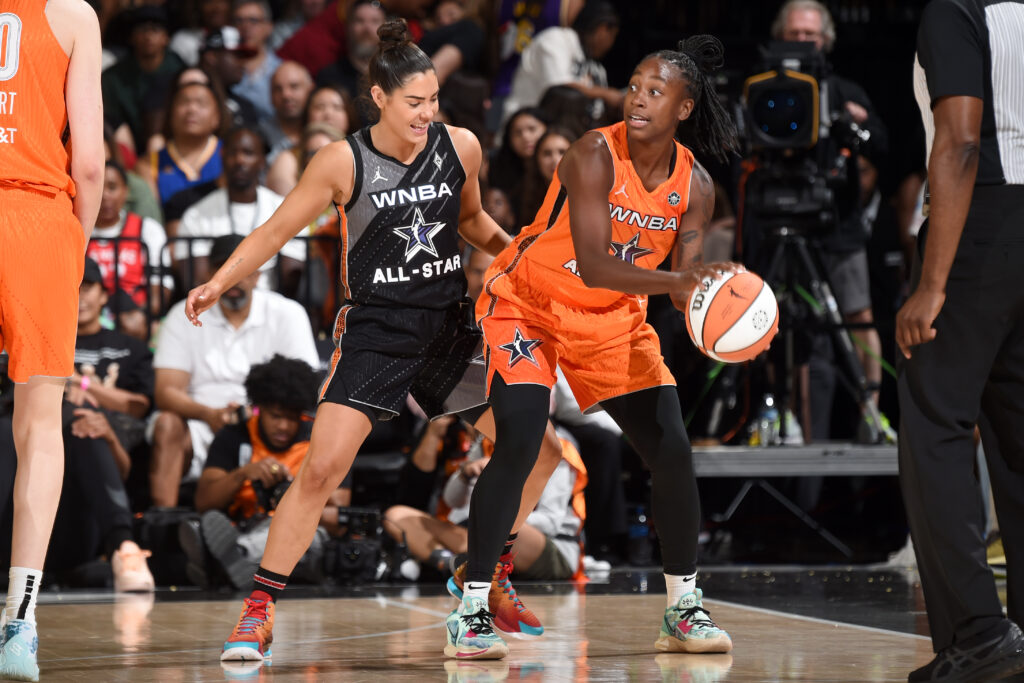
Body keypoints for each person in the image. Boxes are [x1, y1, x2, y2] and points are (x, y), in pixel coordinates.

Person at [183, 19, 564, 663]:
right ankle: (258, 611)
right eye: (414, 102)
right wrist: (218, 281)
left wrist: (523, 260)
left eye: (434, 100)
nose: (427, 113)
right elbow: (276, 231)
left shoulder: (461, 146)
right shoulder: (342, 160)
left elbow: (471, 220)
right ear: (380, 99)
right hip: (376, 335)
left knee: (542, 451)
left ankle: (486, 575)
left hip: (448, 330)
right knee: (322, 471)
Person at [448, 35, 741, 660]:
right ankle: (471, 608)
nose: (638, 98)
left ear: (684, 109)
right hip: (529, 305)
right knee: (523, 438)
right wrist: (679, 281)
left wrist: (719, 321)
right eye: (634, 85)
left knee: (673, 450)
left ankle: (682, 609)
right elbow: (596, 262)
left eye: (655, 91)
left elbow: (687, 290)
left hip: (613, 322)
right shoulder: (591, 153)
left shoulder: (697, 186)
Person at [897, 1, 1024, 681]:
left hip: (982, 221)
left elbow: (961, 139)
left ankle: (979, 634)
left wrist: (934, 281)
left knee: (934, 420)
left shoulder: (956, 11)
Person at [0, 0, 103, 679]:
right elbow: (90, 163)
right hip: (35, 217)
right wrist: (76, 243)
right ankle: (19, 621)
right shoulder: (70, 13)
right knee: (39, 427)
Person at [768, 0, 892, 443]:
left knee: (858, 317)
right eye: (795, 34)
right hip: (780, 219)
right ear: (780, 36)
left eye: (810, 35)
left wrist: (852, 125)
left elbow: (881, 142)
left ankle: (870, 412)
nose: (803, 43)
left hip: (838, 223)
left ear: (826, 40)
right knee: (780, 322)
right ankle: (791, 418)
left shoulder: (845, 90)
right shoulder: (765, 87)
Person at [151, 235, 320, 509]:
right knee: (166, 424)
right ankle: (163, 524)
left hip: (265, 422)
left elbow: (305, 384)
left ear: (258, 275)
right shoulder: (181, 315)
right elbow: (165, 392)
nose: (235, 281)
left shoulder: (287, 313)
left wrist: (254, 414)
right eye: (225, 270)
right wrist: (209, 414)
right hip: (201, 423)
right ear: (210, 274)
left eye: (244, 271)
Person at [187, 355, 351, 590]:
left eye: (291, 418)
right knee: (251, 527)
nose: (283, 426)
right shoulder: (235, 436)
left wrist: (293, 495)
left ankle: (228, 558)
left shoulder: (321, 440)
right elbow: (204, 501)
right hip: (250, 525)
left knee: (299, 533)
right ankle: (238, 562)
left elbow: (339, 514)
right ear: (259, 409)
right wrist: (243, 474)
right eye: (276, 416)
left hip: (305, 536)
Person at [175, 126, 306, 292]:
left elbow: (290, 279)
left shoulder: (286, 210)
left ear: (262, 161)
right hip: (215, 307)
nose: (239, 160)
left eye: (248, 153)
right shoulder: (196, 215)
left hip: (270, 306)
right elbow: (196, 281)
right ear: (222, 158)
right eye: (232, 153)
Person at [502, 1, 622, 128]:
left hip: (560, 135)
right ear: (602, 29)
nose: (611, 44)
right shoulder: (555, 40)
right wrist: (607, 94)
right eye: (612, 36)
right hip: (525, 131)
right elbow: (559, 89)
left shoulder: (594, 65)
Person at [88, 161, 174, 316]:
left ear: (126, 192)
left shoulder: (148, 229)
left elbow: (161, 287)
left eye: (112, 187)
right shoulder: (79, 230)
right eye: (98, 188)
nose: (105, 195)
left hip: (136, 320)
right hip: (88, 321)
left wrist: (142, 318)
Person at [101, 7, 185, 154]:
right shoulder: (113, 77)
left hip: (175, 148)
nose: (148, 36)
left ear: (166, 37)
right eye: (142, 29)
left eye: (155, 30)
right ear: (131, 37)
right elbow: (110, 120)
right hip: (126, 149)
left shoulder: (180, 71)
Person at [232, 0, 283, 120]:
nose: (245, 27)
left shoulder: (280, 71)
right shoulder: (224, 70)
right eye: (239, 21)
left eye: (253, 20)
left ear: (269, 27)